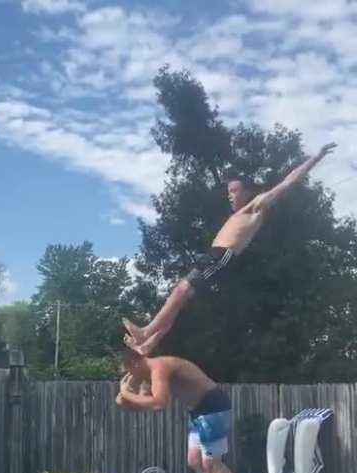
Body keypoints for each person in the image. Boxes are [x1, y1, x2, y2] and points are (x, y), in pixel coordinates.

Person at [123, 142, 337, 355]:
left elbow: (288, 182)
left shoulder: (257, 205)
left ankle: (146, 332)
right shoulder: (237, 214)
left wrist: (315, 158)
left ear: (248, 192)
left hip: (223, 256)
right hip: (213, 255)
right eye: (228, 191)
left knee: (181, 292)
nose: (230, 195)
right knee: (178, 298)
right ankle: (149, 343)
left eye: (234, 190)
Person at [116, 350, 250, 473]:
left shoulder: (159, 367)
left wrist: (126, 394)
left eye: (129, 372)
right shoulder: (149, 376)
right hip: (197, 412)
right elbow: (140, 402)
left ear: (135, 362)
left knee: (212, 463)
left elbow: (159, 403)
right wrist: (124, 397)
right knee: (194, 461)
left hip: (212, 406)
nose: (130, 376)